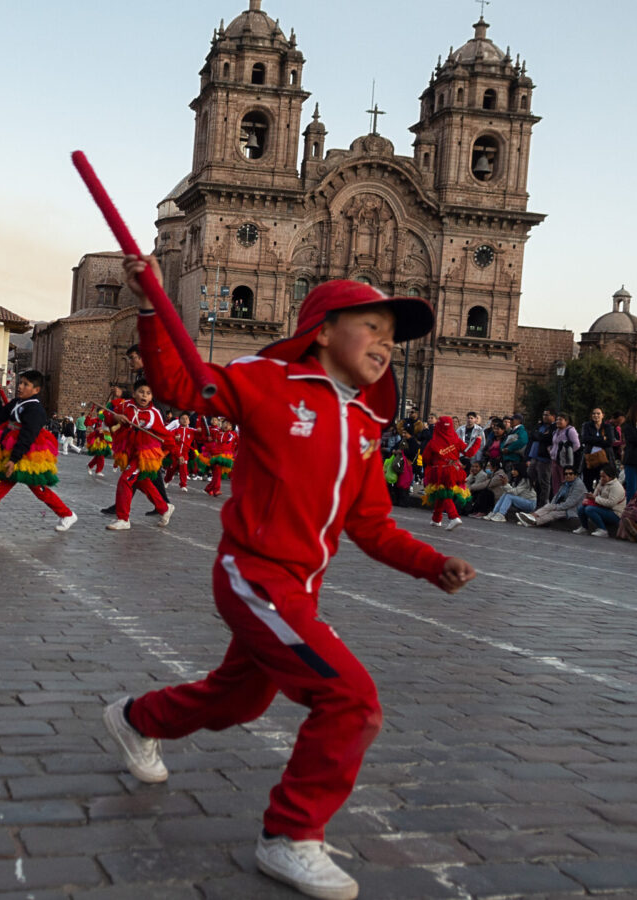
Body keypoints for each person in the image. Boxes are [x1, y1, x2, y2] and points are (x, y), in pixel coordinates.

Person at [104, 257, 474, 900]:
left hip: (301, 586)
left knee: (241, 697)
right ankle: (290, 834)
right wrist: (150, 304)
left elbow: (372, 525)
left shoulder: (364, 425)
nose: (386, 345)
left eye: (393, 336)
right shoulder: (268, 381)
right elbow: (180, 383)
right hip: (252, 573)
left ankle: (138, 718)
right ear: (325, 331)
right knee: (351, 700)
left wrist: (431, 563)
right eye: (373, 328)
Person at [0, 369, 79, 532]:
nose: (20, 386)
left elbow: (27, 436)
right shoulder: (16, 402)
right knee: (2, 485)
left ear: (36, 390)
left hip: (28, 454)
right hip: (13, 450)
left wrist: (14, 459)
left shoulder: (35, 409)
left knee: (38, 489)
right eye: (20, 382)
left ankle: (67, 514)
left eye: (26, 384)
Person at [105, 380, 174, 531]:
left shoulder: (154, 414)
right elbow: (108, 417)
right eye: (142, 392)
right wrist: (116, 418)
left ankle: (123, 518)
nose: (145, 395)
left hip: (144, 454)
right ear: (135, 393)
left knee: (125, 480)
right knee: (142, 483)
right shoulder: (125, 406)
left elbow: (166, 436)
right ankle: (164, 507)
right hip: (128, 451)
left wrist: (171, 454)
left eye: (148, 393)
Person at [421, 415, 468, 530]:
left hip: (440, 470)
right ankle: (436, 519)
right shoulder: (456, 439)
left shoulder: (434, 441)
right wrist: (478, 441)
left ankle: (454, 516)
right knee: (441, 493)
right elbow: (468, 451)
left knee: (444, 492)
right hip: (455, 470)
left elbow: (426, 457)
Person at [517, 465, 585, 527]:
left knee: (553, 513)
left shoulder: (579, 485)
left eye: (570, 474)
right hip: (562, 506)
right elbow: (556, 496)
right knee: (549, 506)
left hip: (573, 509)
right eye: (566, 474)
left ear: (575, 475)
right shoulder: (565, 483)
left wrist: (556, 507)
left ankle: (531, 521)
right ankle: (530, 518)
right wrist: (552, 505)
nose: (568, 475)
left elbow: (571, 503)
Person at [574, 463, 626, 536]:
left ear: (610, 477)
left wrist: (595, 498)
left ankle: (603, 529)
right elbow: (595, 495)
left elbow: (611, 503)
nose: (601, 478)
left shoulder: (616, 487)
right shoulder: (601, 483)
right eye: (601, 476)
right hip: (603, 507)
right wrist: (590, 497)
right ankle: (584, 527)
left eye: (604, 477)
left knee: (589, 509)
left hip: (615, 513)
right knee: (581, 508)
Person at [578, 408, 616, 490]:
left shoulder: (608, 427)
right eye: (594, 413)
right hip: (590, 459)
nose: (596, 415)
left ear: (603, 415)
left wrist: (593, 439)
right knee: (587, 482)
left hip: (604, 459)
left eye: (598, 413)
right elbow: (585, 439)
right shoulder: (586, 425)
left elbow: (609, 442)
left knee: (603, 482)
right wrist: (602, 438)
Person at [548, 412, 581, 498]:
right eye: (557, 419)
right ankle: (556, 500)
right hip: (554, 460)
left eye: (560, 420)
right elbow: (554, 444)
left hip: (564, 463)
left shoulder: (570, 431)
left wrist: (567, 454)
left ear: (566, 421)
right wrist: (551, 451)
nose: (558, 421)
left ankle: (565, 500)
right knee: (555, 483)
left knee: (565, 481)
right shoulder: (556, 431)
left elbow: (577, 445)